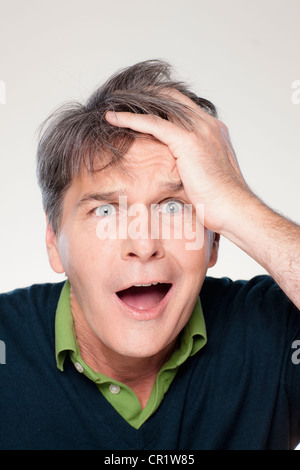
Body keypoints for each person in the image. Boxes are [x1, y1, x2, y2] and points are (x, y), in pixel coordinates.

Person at [0, 60, 299, 450]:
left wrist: (238, 205)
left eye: (174, 208)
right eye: (105, 211)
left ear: (215, 239)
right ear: (54, 243)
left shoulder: (273, 334)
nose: (143, 245)